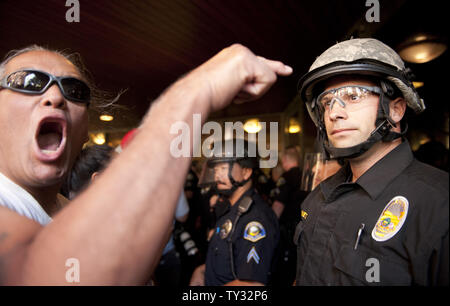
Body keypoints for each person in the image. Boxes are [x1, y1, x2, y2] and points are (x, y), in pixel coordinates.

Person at [0, 44, 292, 285]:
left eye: (74, 91)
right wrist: (194, 91)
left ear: (84, 131)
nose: (54, 97)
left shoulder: (64, 209)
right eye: (28, 83)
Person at [295, 38, 448, 285]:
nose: (334, 112)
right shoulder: (316, 199)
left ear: (396, 110)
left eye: (353, 96)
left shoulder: (439, 205)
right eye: (326, 102)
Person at [190, 139, 279, 286]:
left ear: (246, 172)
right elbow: (231, 260)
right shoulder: (231, 208)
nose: (217, 175)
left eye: (224, 168)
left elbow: (252, 285)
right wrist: (202, 270)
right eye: (216, 169)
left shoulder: (254, 219)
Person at [270, 146, 306, 286]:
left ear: (284, 160)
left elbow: (278, 205)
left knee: (284, 267)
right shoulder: (305, 175)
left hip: (287, 229)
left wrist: (270, 226)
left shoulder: (286, 177)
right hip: (302, 226)